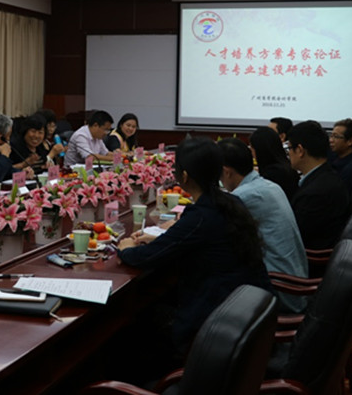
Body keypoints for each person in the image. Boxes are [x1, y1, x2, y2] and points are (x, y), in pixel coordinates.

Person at [117, 138, 273, 361]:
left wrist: (125, 248)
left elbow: (144, 258)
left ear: (184, 176)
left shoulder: (200, 216)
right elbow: (184, 240)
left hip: (215, 322)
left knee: (134, 325)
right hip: (245, 312)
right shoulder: (230, 202)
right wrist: (158, 239)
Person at [218, 138, 308, 313]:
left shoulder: (244, 196)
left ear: (226, 172)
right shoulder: (270, 186)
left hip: (278, 289)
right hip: (295, 280)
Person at [287, 120, 351, 250]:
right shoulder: (326, 175)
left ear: (300, 150)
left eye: (289, 148)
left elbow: (293, 237)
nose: (288, 153)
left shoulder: (315, 193)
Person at [249, 126, 299, 199]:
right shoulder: (286, 166)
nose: (252, 154)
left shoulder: (272, 175)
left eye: (252, 149)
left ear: (259, 150)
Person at [328, 118, 352, 194]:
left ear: (350, 141)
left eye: (336, 136)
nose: (331, 140)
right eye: (331, 136)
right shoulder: (339, 155)